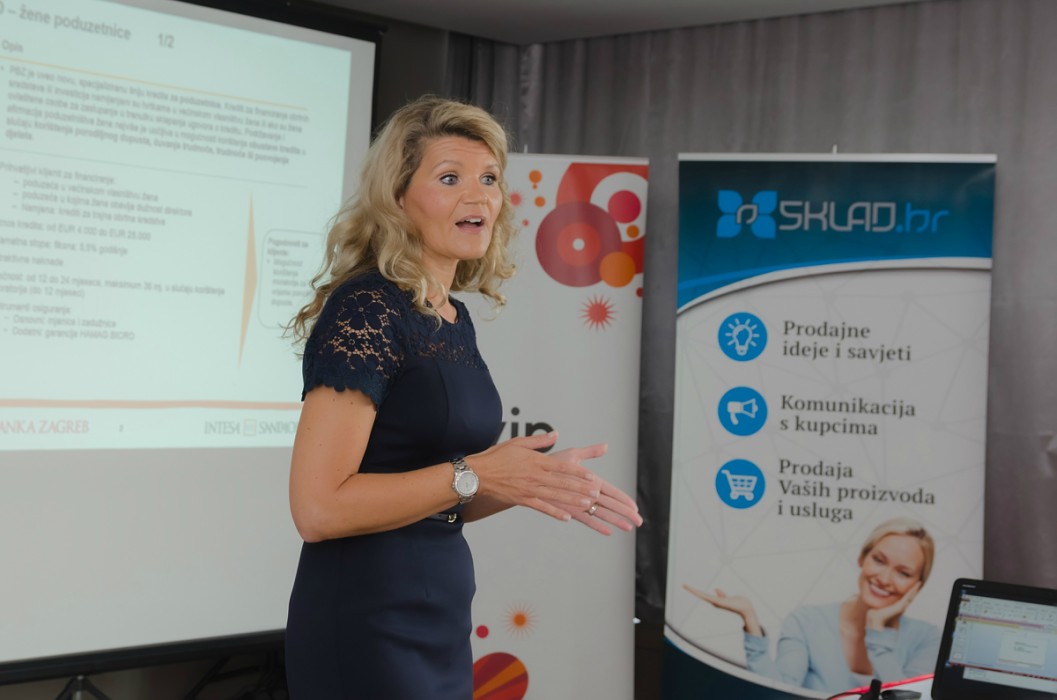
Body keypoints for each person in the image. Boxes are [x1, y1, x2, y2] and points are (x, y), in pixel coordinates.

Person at [283, 96, 643, 699]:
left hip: (439, 610)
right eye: (450, 178)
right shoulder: (368, 308)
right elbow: (318, 509)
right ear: (398, 198)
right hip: (368, 617)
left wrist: (525, 481)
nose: (478, 197)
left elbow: (440, 495)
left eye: (489, 179)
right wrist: (478, 473)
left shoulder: (453, 317)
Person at [684, 517, 941, 693]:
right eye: (879, 560)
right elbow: (779, 690)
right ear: (862, 558)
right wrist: (750, 620)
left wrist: (877, 633)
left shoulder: (928, 640)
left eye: (903, 573)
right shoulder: (807, 621)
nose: (884, 579)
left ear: (918, 585)